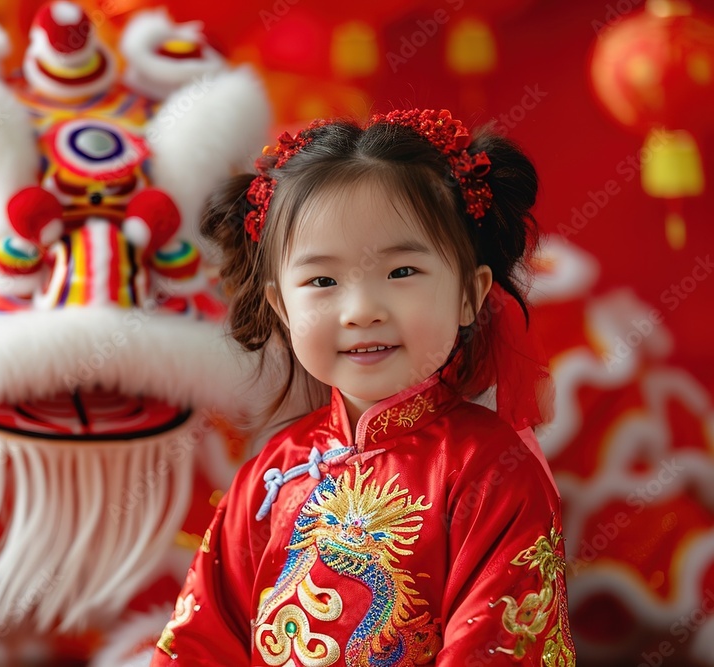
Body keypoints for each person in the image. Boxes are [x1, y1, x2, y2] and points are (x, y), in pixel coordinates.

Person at [150, 109, 576, 666]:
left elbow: (497, 648)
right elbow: (199, 644)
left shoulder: (490, 470)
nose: (361, 312)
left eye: (402, 272)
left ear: (471, 293)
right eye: (322, 281)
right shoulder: (270, 473)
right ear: (281, 307)